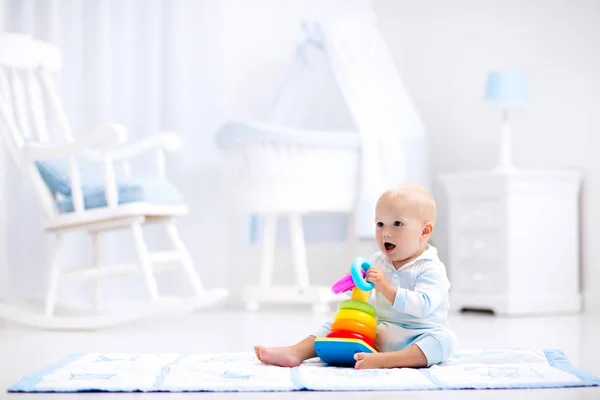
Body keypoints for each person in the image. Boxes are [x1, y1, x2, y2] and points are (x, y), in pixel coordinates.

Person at [254, 184, 457, 369]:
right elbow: (366, 298)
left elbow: (422, 305)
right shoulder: (379, 261)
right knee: (333, 325)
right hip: (382, 332)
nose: (386, 232)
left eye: (397, 224)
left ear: (425, 231)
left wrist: (385, 287)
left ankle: (387, 360)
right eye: (380, 224)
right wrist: (357, 287)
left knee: (443, 340)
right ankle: (296, 352)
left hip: (418, 335)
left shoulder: (430, 267)